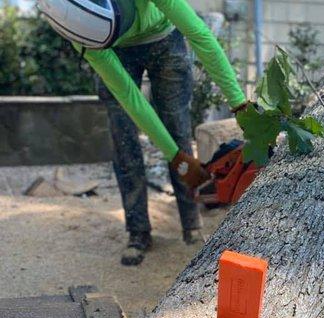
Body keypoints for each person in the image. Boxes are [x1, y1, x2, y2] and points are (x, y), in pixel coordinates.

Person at [38, 0, 249, 265]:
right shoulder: (79, 28)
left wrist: (239, 103)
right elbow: (129, 97)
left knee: (177, 129)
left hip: (164, 37)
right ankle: (138, 232)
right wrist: (175, 157)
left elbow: (199, 34)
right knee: (124, 139)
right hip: (114, 50)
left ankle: (191, 225)